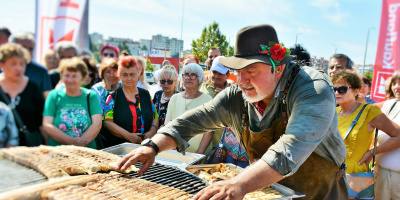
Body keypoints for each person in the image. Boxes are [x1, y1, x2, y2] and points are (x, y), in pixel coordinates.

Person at [116, 24, 349, 200]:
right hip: (266, 190)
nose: (242, 80)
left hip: (319, 192)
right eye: (238, 71)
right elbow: (195, 119)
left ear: (277, 68)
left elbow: (290, 148)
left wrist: (239, 184)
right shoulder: (237, 96)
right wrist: (153, 146)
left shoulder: (313, 90)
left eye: (252, 71)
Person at [331, 70, 400, 174]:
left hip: (353, 177)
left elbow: (398, 135)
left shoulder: (369, 111)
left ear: (356, 91)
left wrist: (372, 152)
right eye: (333, 89)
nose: (336, 93)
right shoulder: (334, 112)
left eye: (342, 89)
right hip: (329, 173)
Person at [42, 57, 102, 149]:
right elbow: (47, 124)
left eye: (74, 76)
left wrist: (80, 144)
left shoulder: (91, 96)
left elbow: (97, 124)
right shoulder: (53, 95)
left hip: (86, 153)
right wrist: (71, 141)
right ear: (61, 76)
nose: (70, 80)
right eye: (67, 75)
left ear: (82, 78)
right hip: (58, 151)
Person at [103, 56, 159, 147]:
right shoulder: (112, 97)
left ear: (138, 73)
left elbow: (155, 116)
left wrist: (153, 130)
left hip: (146, 147)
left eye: (132, 74)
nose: (129, 78)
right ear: (119, 75)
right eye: (125, 75)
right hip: (121, 147)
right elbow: (107, 122)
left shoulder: (146, 94)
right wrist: (127, 135)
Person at [0, 43, 45, 146]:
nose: (18, 68)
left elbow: (42, 122)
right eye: (13, 63)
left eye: (22, 64)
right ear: (1, 64)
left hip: (29, 150)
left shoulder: (32, 87)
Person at [164, 63, 213, 155]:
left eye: (193, 75)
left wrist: (200, 153)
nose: (188, 77)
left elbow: (209, 131)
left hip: (199, 154)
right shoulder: (175, 98)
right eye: (186, 74)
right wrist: (172, 148)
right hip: (175, 152)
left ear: (200, 79)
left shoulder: (208, 99)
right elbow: (168, 126)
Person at [373, 70, 400, 200]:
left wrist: (372, 152)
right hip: (380, 170)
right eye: (394, 83)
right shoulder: (389, 104)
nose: (396, 87)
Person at [9, 32, 52, 98]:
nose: (27, 51)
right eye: (23, 47)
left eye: (31, 49)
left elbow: (47, 98)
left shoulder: (41, 71)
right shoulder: (2, 67)